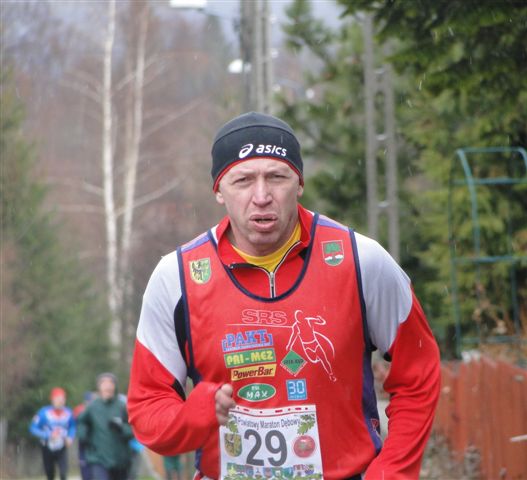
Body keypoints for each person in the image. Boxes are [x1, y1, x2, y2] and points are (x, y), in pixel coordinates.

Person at [128, 112, 441, 479]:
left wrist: (392, 471)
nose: (262, 197)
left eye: (277, 177)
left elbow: (419, 372)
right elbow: (147, 408)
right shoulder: (176, 278)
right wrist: (192, 417)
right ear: (218, 190)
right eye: (243, 180)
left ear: (299, 184)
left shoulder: (362, 260)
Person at [77, 373, 133, 480]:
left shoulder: (122, 406)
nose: (108, 386)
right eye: (104, 383)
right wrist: (83, 435)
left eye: (111, 383)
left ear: (115, 387)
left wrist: (121, 427)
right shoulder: (92, 407)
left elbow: (133, 430)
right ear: (99, 387)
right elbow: (81, 422)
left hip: (120, 460)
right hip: (98, 458)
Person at [29, 387, 75, 480]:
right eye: (58, 398)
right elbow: (33, 428)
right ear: (52, 399)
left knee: (63, 473)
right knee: (50, 474)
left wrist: (70, 437)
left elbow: (72, 426)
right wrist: (48, 435)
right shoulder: (43, 413)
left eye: (62, 399)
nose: (60, 401)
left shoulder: (68, 412)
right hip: (47, 446)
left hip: (62, 446)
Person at [73, 391, 95, 480]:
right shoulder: (79, 409)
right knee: (84, 462)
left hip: (94, 439)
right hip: (83, 439)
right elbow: (75, 424)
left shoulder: (96, 409)